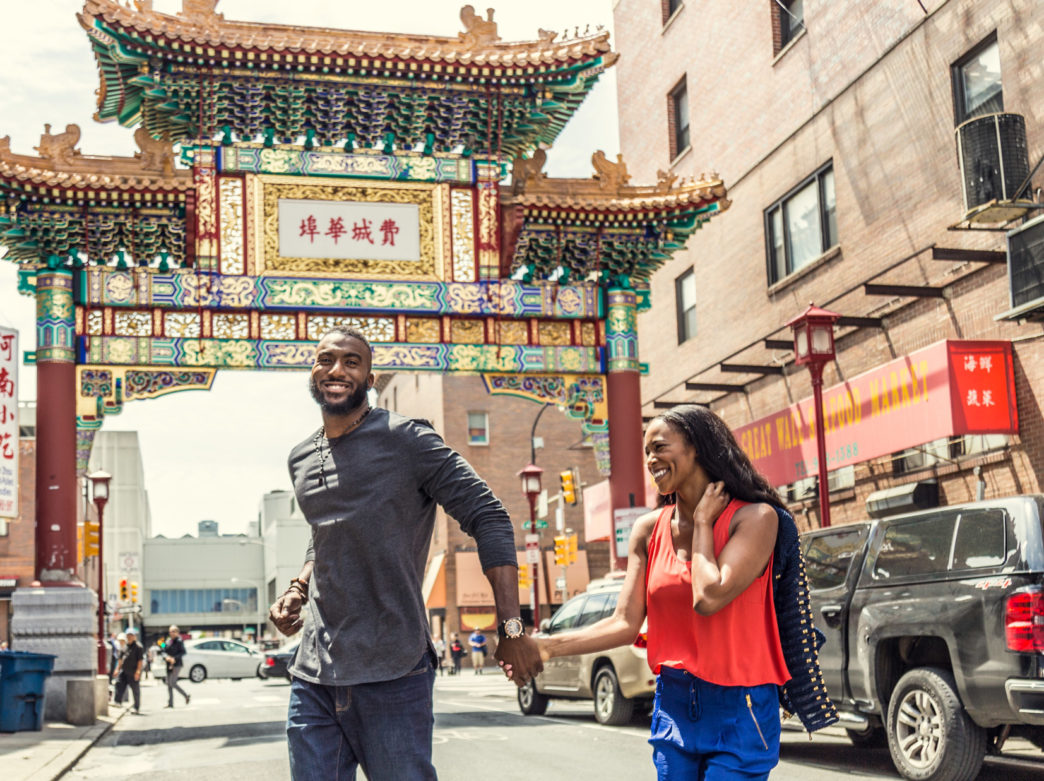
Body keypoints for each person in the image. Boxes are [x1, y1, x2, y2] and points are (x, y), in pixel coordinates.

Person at [269, 326, 541, 781]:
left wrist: (511, 626)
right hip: (314, 673)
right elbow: (326, 533)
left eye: (352, 362)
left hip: (393, 669)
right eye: (326, 360)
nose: (337, 370)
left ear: (371, 380)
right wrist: (299, 587)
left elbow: (489, 516)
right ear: (312, 372)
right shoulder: (300, 457)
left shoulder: (407, 439)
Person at [514, 405, 834, 780]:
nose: (652, 460)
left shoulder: (756, 518)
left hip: (741, 706)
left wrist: (702, 524)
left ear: (696, 447)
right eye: (647, 452)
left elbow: (708, 596)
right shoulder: (648, 531)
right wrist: (545, 646)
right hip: (675, 704)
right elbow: (624, 623)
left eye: (660, 447)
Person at [114, 627, 144, 714]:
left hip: (133, 671)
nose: (129, 637)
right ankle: (118, 701)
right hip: (124, 671)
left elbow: (140, 660)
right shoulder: (124, 647)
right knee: (119, 684)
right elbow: (120, 659)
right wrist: (117, 669)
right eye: (128, 635)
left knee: (135, 690)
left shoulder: (138, 647)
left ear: (134, 636)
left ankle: (136, 707)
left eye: (131, 635)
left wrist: (138, 672)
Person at [162, 625, 191, 708]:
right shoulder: (167, 641)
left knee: (173, 683)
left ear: (177, 632)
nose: (171, 633)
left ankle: (186, 695)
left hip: (176, 664)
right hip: (168, 664)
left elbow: (183, 652)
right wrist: (166, 657)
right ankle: (170, 703)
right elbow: (163, 650)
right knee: (168, 683)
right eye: (170, 631)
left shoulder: (179, 641)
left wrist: (174, 658)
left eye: (173, 631)